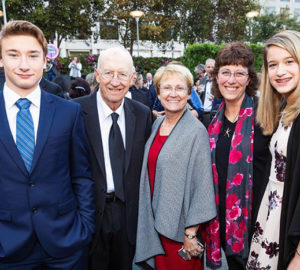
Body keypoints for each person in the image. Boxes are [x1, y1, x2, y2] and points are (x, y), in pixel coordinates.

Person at [0, 20, 94, 269]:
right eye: (13, 54)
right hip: (7, 249)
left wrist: (84, 228)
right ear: (1, 59)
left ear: (45, 61)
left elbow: (81, 176)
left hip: (67, 245)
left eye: (33, 55)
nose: (23, 64)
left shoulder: (69, 112)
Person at [74, 46, 152, 270]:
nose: (115, 81)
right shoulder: (74, 112)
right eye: (108, 73)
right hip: (89, 217)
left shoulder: (142, 113)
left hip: (128, 218)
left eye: (122, 74)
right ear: (97, 75)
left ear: (132, 78)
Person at [135, 63, 217, 270]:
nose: (173, 94)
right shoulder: (157, 125)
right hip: (155, 222)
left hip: (180, 230)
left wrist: (191, 233)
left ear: (189, 93)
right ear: (158, 92)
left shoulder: (196, 132)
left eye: (180, 88)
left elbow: (202, 186)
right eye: (167, 88)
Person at [205, 42, 271, 269]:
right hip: (221, 218)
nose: (231, 80)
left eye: (239, 73)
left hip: (259, 220)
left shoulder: (266, 114)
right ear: (216, 77)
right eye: (225, 72)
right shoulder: (213, 118)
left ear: (249, 79)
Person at [247, 30, 300, 270]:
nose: (280, 71)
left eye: (289, 61)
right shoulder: (286, 109)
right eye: (273, 65)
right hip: (272, 215)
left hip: (289, 223)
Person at [200, 59, 215, 128]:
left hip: (212, 113)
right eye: (208, 67)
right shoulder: (202, 80)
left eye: (212, 67)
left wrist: (216, 99)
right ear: (205, 68)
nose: (210, 69)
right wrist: (198, 92)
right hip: (202, 113)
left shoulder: (218, 81)